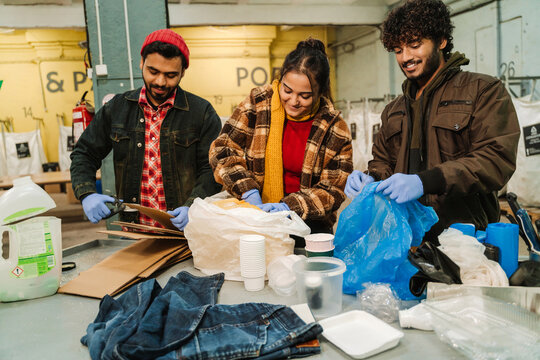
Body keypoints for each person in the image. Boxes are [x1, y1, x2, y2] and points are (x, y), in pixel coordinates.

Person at [345, 0, 519, 243]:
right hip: (406, 240)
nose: (405, 57)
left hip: (465, 240)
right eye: (397, 50)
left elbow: (495, 160)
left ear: (441, 41)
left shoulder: (483, 91)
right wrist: (371, 178)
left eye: (415, 45)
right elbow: (383, 161)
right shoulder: (394, 110)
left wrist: (425, 181)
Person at [70, 29, 222, 231]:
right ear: (141, 63)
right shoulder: (117, 108)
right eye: (153, 71)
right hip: (134, 230)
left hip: (186, 230)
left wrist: (192, 206)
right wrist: (87, 193)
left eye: (170, 75)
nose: (160, 82)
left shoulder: (201, 113)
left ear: (183, 72)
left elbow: (211, 169)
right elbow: (84, 153)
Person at [209, 38, 353, 244]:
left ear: (320, 92)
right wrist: (248, 191)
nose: (294, 101)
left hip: (308, 230)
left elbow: (334, 189)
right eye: (287, 90)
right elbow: (223, 149)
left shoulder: (334, 127)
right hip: (255, 222)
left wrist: (289, 207)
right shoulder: (258, 104)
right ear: (281, 78)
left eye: (305, 96)